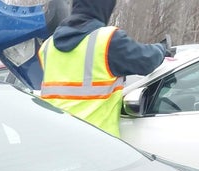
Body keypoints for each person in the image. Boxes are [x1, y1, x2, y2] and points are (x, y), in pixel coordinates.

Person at [37, 0, 173, 136]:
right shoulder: (107, 41)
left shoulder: (47, 47)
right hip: (97, 143)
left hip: (54, 137)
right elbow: (147, 60)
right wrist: (162, 48)